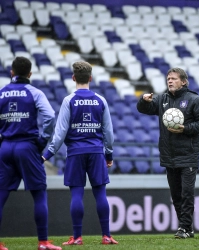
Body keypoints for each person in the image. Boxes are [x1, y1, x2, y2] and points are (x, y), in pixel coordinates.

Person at [42, 61, 118, 246]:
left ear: (73, 78)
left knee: (77, 195)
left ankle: (77, 237)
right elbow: (108, 132)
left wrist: (47, 155)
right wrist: (108, 155)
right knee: (100, 194)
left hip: (75, 153)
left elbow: (60, 133)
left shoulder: (69, 100)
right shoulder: (101, 100)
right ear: (90, 78)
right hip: (96, 152)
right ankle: (106, 236)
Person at [137, 67, 199, 239]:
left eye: (174, 78)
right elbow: (143, 109)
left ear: (184, 81)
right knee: (176, 195)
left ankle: (184, 228)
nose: (169, 81)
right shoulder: (163, 99)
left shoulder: (194, 100)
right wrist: (143, 100)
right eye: (168, 78)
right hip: (169, 155)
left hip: (188, 156)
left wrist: (186, 129)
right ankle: (187, 228)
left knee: (187, 194)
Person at [0, 57, 61, 250]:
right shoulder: (34, 92)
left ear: (12, 72)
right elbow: (50, 115)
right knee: (39, 193)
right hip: (27, 147)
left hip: (5, 146)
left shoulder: (1, 93)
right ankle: (43, 242)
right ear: (30, 74)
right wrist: (43, 140)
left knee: (1, 195)